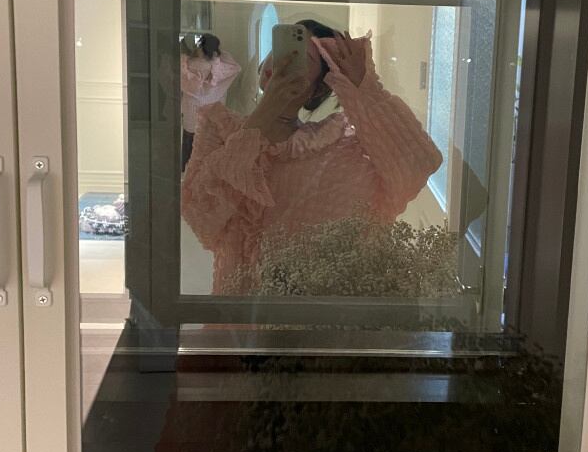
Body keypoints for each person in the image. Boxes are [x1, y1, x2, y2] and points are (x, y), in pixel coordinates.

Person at [180, 19, 443, 294]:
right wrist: (266, 113)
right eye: (280, 48)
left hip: (321, 311)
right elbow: (200, 215)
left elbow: (418, 165)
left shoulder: (339, 148)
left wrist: (363, 86)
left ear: (318, 89)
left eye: (301, 59)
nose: (282, 62)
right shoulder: (220, 128)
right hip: (239, 311)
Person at [180, 33, 241, 172]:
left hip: (191, 111)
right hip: (210, 112)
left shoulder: (190, 64)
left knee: (189, 143)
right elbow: (236, 67)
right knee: (205, 145)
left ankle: (185, 171)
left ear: (202, 47)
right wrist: (217, 54)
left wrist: (186, 55)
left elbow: (178, 69)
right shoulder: (219, 67)